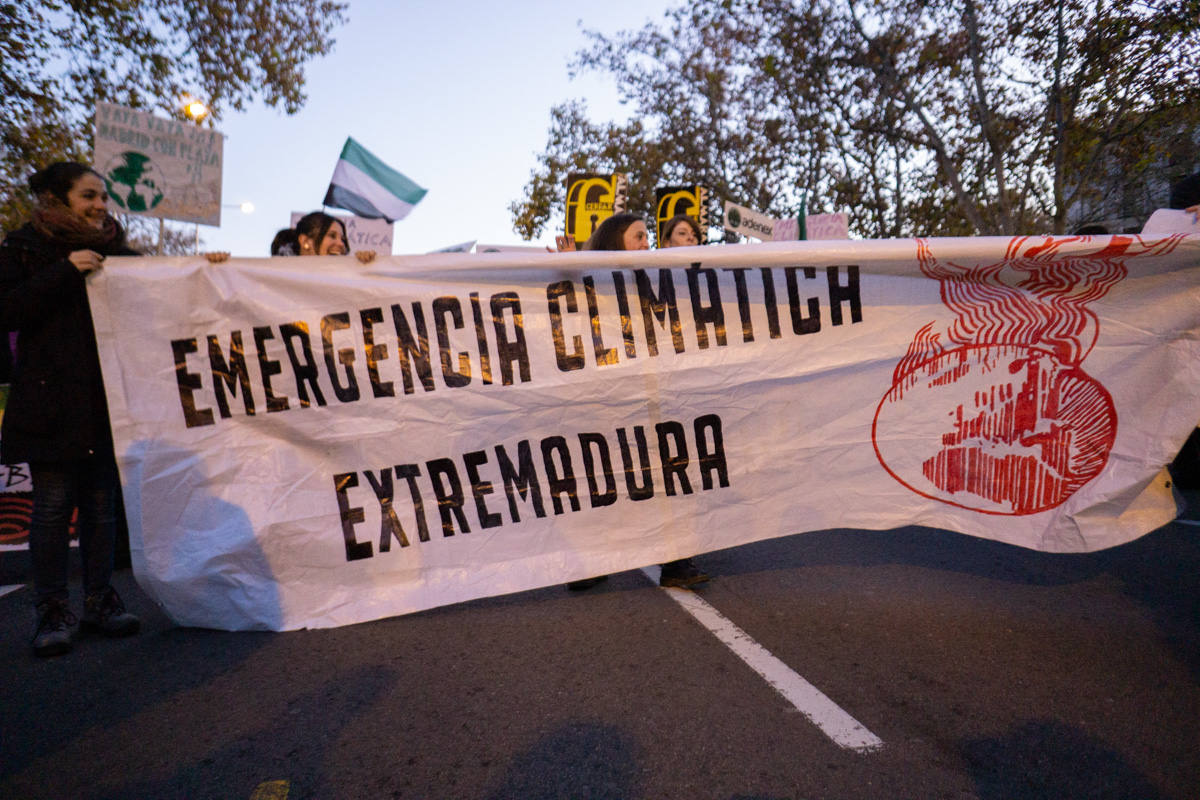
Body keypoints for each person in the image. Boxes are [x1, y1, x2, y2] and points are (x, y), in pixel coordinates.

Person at [0, 162, 141, 656]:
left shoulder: (119, 253)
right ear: (59, 200)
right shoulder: (23, 248)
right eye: (89, 195)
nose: (101, 205)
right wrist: (64, 272)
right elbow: (8, 310)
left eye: (104, 196)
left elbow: (166, 293)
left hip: (103, 402)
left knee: (101, 509)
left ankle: (100, 600)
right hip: (50, 404)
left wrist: (210, 266)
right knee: (53, 508)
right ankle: (52, 611)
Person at [568, 212, 711, 590]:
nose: (646, 243)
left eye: (648, 236)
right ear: (616, 242)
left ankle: (677, 563)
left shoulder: (662, 278)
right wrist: (565, 269)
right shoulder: (592, 283)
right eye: (638, 236)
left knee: (672, 472)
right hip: (611, 399)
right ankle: (593, 562)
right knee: (611, 477)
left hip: (659, 399)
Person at [271, 211, 376, 262]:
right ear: (305, 241)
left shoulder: (346, 279)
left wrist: (365, 268)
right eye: (332, 236)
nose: (341, 244)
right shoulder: (274, 280)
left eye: (343, 239)